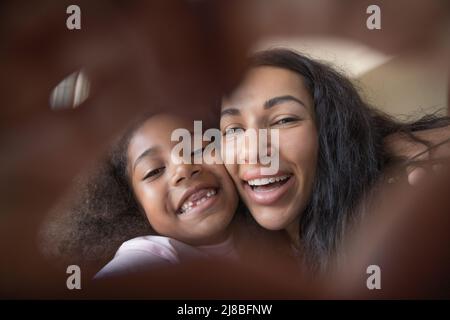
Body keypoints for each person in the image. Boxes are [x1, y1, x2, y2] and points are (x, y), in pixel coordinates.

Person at [220, 48, 450, 271]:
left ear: (330, 130)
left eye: (284, 120)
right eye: (232, 130)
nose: (253, 152)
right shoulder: (256, 250)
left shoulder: (411, 184)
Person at [42, 113, 240, 279]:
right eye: (154, 171)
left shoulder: (257, 237)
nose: (183, 169)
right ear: (132, 204)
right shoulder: (150, 255)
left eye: (198, 149)